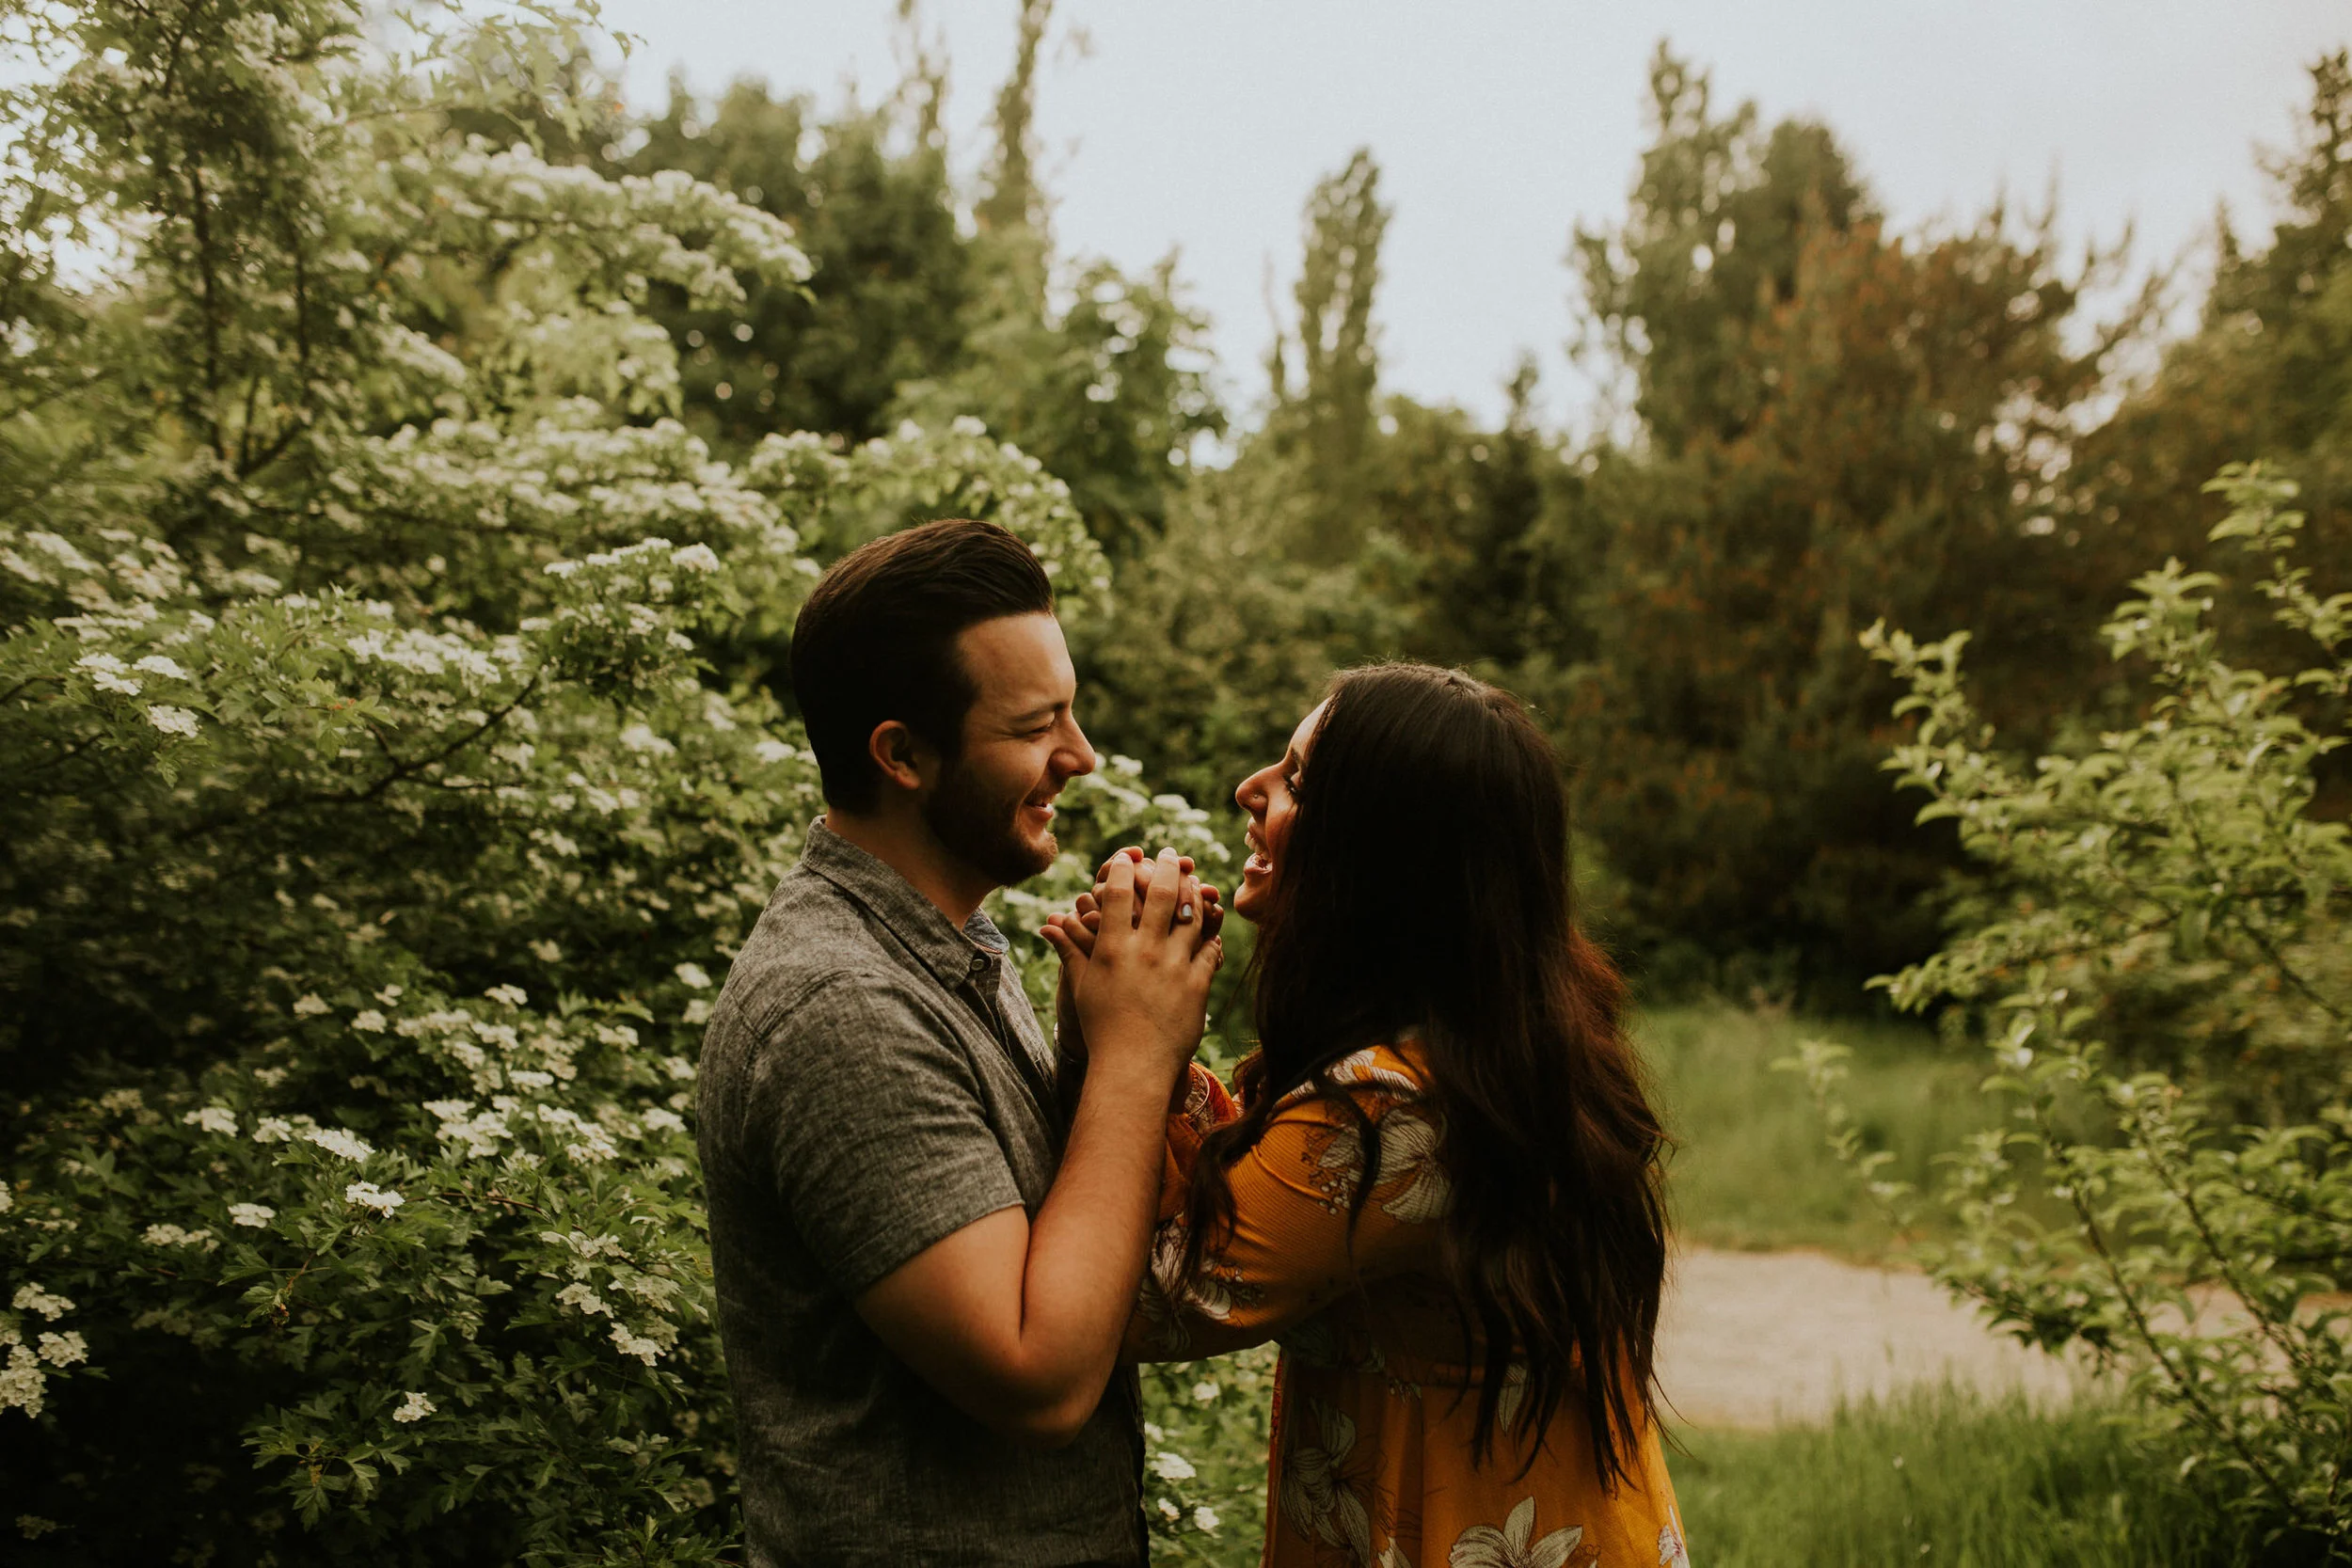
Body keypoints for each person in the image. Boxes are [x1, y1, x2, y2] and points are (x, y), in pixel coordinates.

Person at [1046, 663, 1689, 1568]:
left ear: (1382, 851)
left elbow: (1147, 1302)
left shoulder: (1398, 1112)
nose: (1251, 790)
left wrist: (1131, 1052)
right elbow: (1258, 1187)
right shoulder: (1473, 1052)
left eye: (1298, 780)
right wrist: (1132, 1039)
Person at [696, 517, 1225, 1568]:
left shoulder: (948, 936)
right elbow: (1037, 1376)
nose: (1080, 756)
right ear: (902, 754)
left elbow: (1046, 1240)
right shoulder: (838, 1006)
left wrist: (1088, 1053)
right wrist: (1132, 1055)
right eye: (1036, 726)